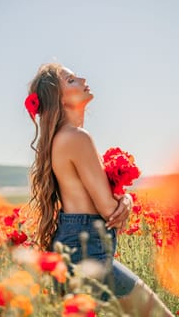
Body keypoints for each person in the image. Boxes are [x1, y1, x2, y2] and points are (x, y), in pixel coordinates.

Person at [25, 62, 173, 316]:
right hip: (87, 253)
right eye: (71, 80)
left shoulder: (60, 139)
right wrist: (125, 201)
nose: (82, 79)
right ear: (59, 100)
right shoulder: (77, 137)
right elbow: (108, 210)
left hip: (75, 249)